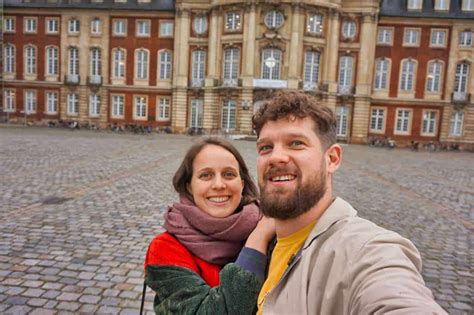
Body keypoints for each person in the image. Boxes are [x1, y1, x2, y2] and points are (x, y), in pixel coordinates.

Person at [252, 90, 446, 314]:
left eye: (296, 143)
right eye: (266, 147)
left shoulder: (365, 251)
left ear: (332, 159)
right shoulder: (263, 239)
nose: (276, 157)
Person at [144, 137, 274, 314]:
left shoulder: (275, 229)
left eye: (229, 174)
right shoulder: (165, 248)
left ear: (241, 184)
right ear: (189, 186)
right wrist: (258, 239)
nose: (219, 185)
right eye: (206, 175)